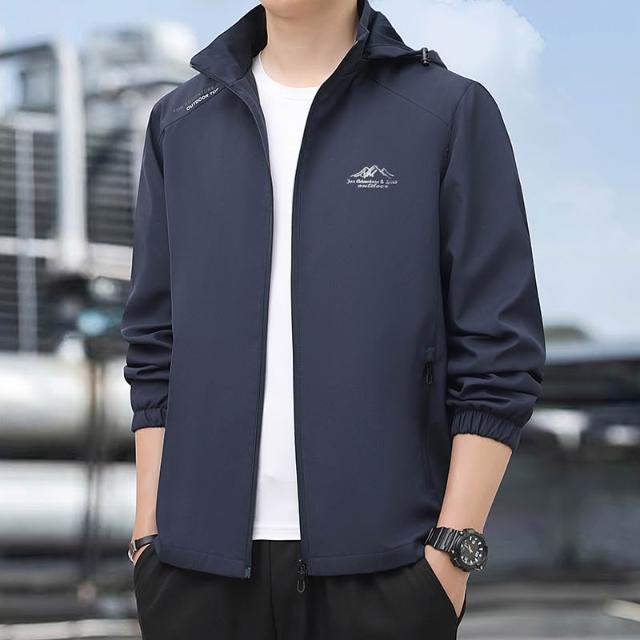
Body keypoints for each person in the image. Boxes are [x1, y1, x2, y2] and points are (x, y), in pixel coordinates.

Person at [120, 0, 546, 637]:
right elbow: (155, 343)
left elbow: (500, 344)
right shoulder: (180, 122)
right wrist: (148, 535)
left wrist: (452, 552)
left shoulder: (447, 111)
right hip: (193, 571)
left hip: (389, 569)